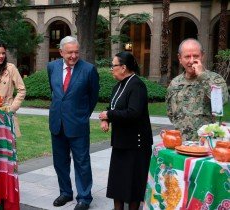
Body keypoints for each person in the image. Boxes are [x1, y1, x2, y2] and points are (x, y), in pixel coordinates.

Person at [47, 36, 99, 210]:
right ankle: (65, 193)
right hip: (57, 123)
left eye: (76, 52)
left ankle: (84, 198)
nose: (74, 56)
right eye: (70, 52)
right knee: (60, 162)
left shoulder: (89, 70)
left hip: (78, 124)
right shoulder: (52, 67)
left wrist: (83, 115)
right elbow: (55, 93)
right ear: (61, 52)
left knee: (82, 162)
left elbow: (93, 97)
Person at [99, 51, 153, 210]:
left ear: (123, 67)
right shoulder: (118, 85)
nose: (111, 69)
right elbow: (114, 107)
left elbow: (134, 113)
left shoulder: (137, 85)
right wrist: (106, 118)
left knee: (133, 188)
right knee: (118, 186)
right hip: (121, 144)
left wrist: (109, 114)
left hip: (135, 146)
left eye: (113, 65)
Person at [166, 38, 229, 141]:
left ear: (202, 56)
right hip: (180, 143)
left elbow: (222, 100)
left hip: (206, 144)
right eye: (187, 57)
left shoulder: (215, 79)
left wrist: (201, 76)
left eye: (196, 56)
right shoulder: (174, 83)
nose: (191, 60)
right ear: (180, 58)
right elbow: (170, 112)